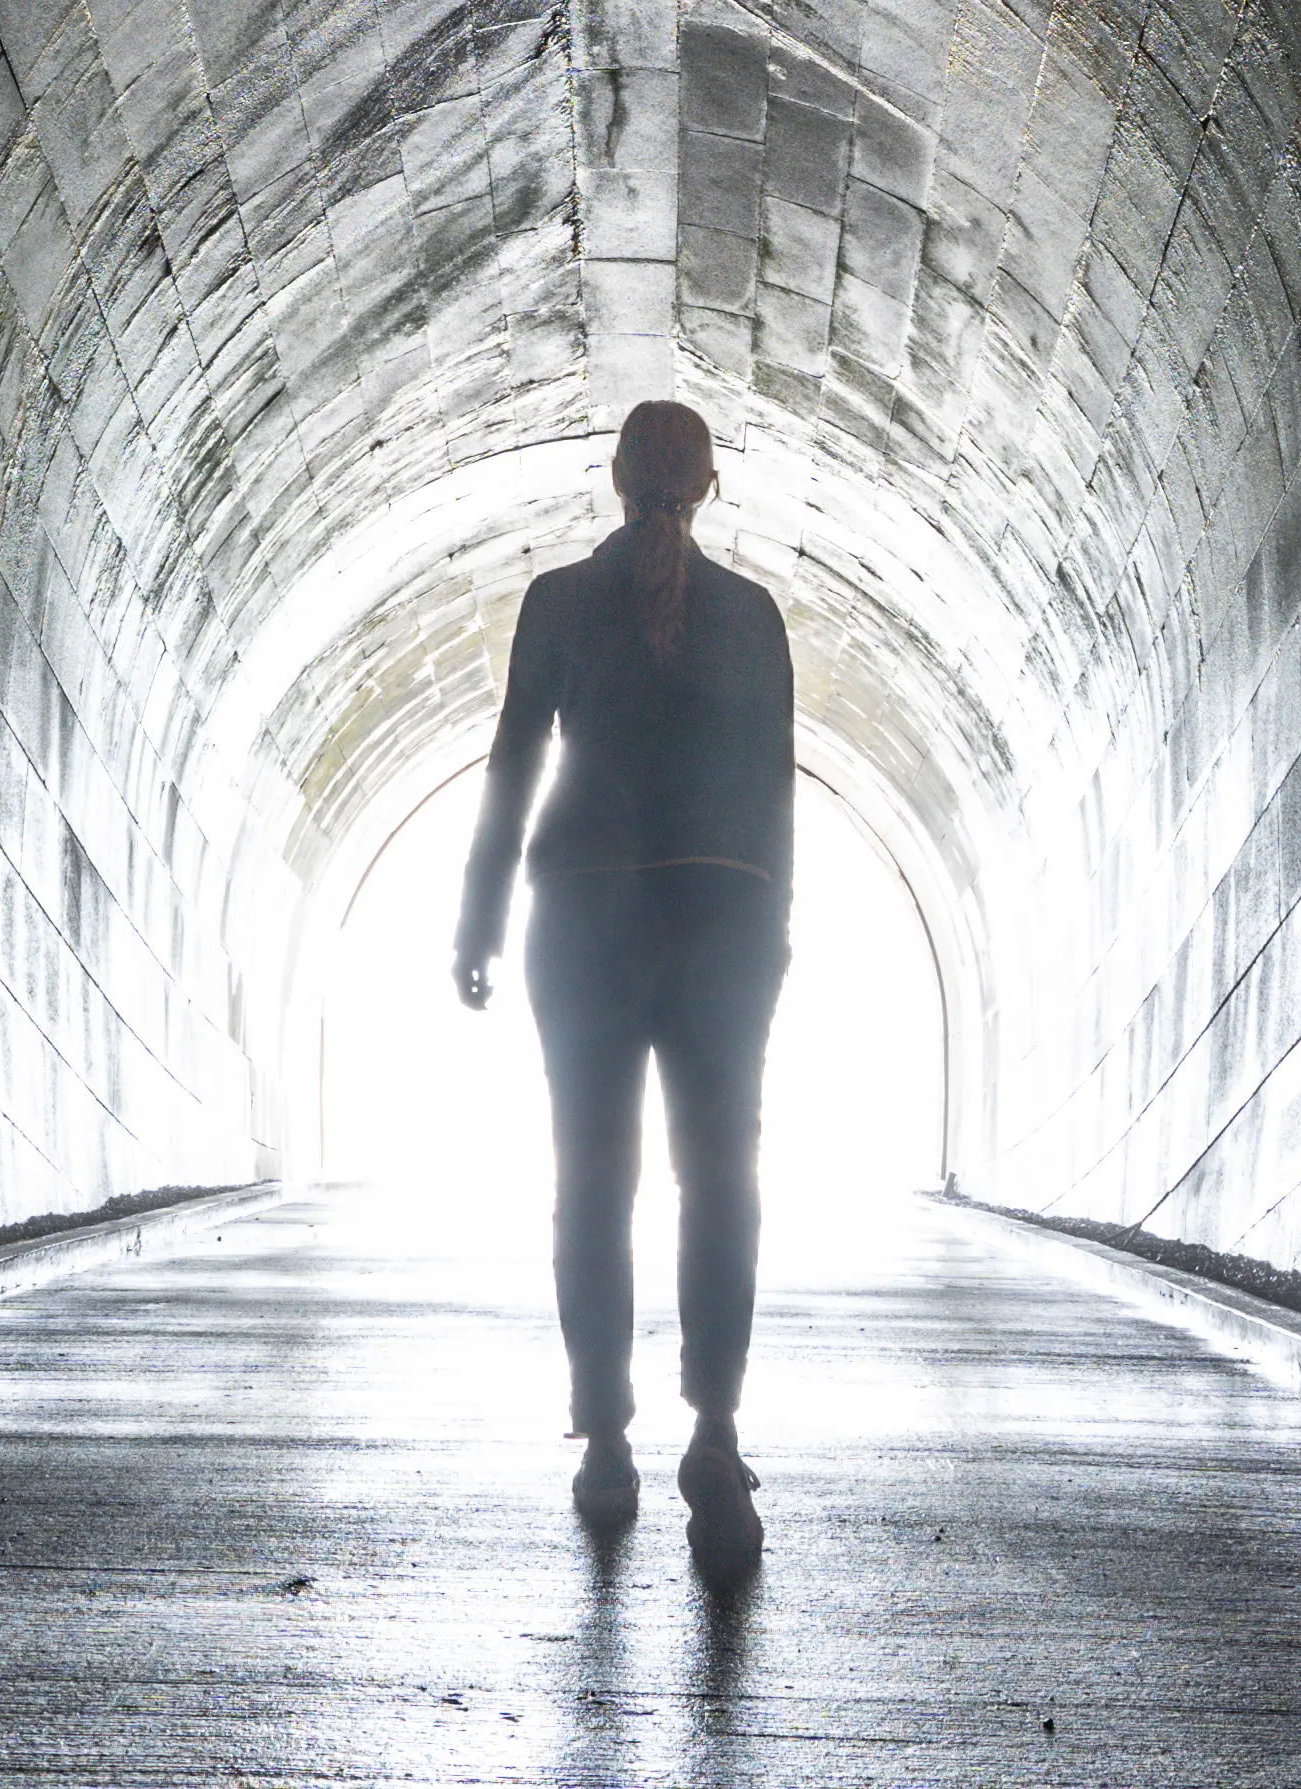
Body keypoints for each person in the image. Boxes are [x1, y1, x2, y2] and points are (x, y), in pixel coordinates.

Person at [452, 400, 793, 1543]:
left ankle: (605, 1445)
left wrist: (480, 920)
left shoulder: (558, 601)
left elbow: (513, 764)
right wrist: (772, 933)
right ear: (706, 489)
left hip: (586, 924)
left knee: (593, 1181)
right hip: (720, 924)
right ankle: (717, 1430)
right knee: (719, 1179)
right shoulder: (751, 615)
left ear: (614, 482)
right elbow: (772, 792)